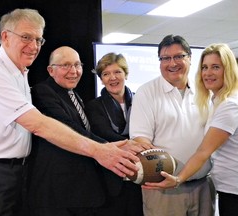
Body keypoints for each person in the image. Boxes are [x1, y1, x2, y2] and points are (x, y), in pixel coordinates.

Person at [0, 9, 141, 216]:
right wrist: (100, 151)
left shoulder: (20, 72)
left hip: (15, 171)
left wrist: (105, 146)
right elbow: (39, 125)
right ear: (5, 37)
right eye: (26, 37)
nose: (34, 46)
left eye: (38, 39)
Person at [27, 46, 144, 216]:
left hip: (77, 189)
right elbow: (67, 127)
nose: (73, 71)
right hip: (56, 191)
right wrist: (110, 147)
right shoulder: (43, 91)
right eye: (65, 65)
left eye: (77, 65)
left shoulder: (74, 96)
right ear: (51, 70)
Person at [144, 43, 238, 216]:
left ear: (228, 70)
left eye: (216, 67)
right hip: (227, 187)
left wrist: (179, 178)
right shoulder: (216, 101)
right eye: (205, 67)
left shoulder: (229, 106)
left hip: (233, 190)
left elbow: (204, 151)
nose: (208, 73)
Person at [129, 34, 216, 216]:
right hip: (164, 190)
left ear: (190, 58)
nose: (172, 63)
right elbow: (140, 140)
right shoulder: (147, 93)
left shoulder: (205, 91)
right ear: (159, 61)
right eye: (165, 58)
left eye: (179, 56)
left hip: (203, 185)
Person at [85, 52, 144, 215]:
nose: (112, 78)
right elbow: (103, 134)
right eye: (106, 74)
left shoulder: (141, 101)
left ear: (126, 74)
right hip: (111, 180)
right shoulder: (93, 106)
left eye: (117, 72)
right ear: (101, 79)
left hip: (142, 176)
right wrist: (132, 145)